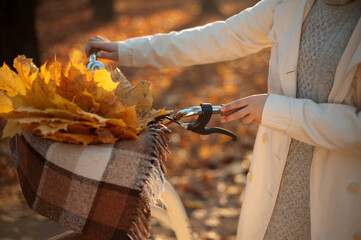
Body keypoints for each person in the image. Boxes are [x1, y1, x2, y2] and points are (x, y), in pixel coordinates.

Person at [85, 0, 361, 239]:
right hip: (277, 183)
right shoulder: (289, 4)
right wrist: (125, 51)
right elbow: (217, 37)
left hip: (342, 195)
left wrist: (276, 110)